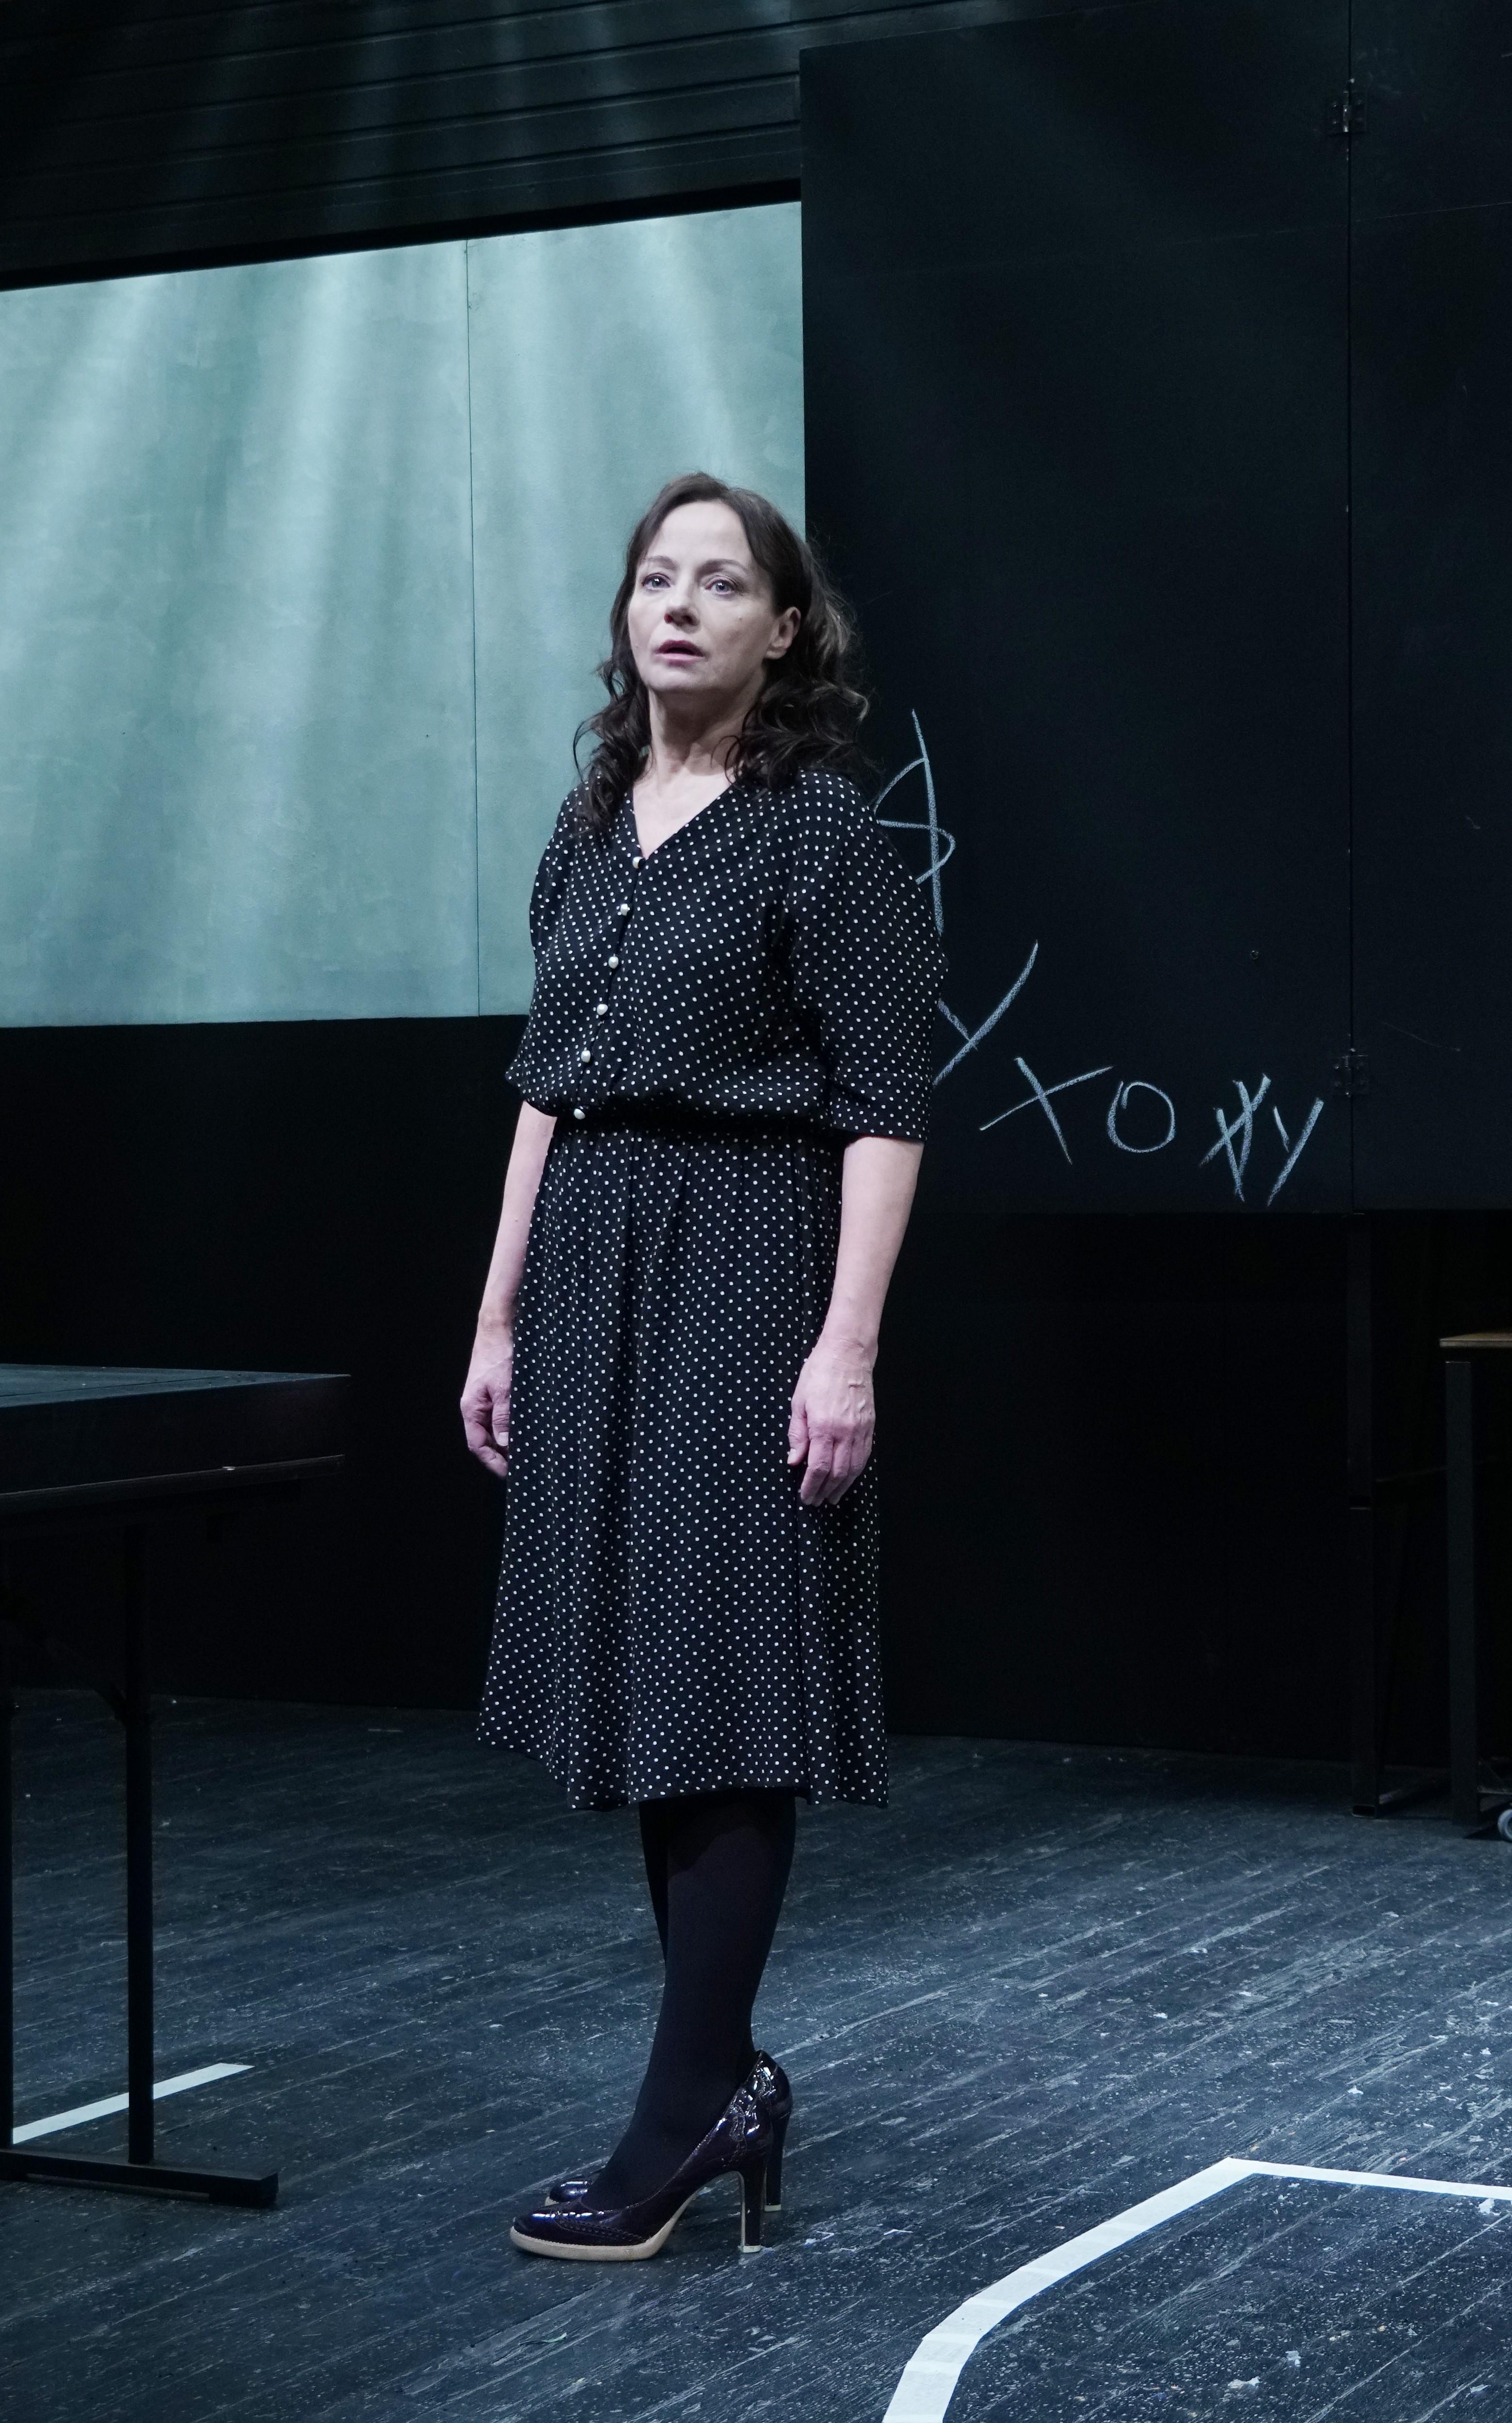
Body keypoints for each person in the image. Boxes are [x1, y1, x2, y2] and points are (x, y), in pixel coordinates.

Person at [460, 470, 943, 2261]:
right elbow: (544, 1093)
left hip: (744, 1262)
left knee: (726, 1683)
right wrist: (498, 1316)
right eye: (654, 577)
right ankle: (720, 2088)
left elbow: (885, 1108)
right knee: (650, 1685)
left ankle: (680, 2118)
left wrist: (846, 1351)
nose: (677, 605)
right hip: (594, 1266)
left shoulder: (818, 834)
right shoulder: (590, 823)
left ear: (783, 629)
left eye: (720, 583)